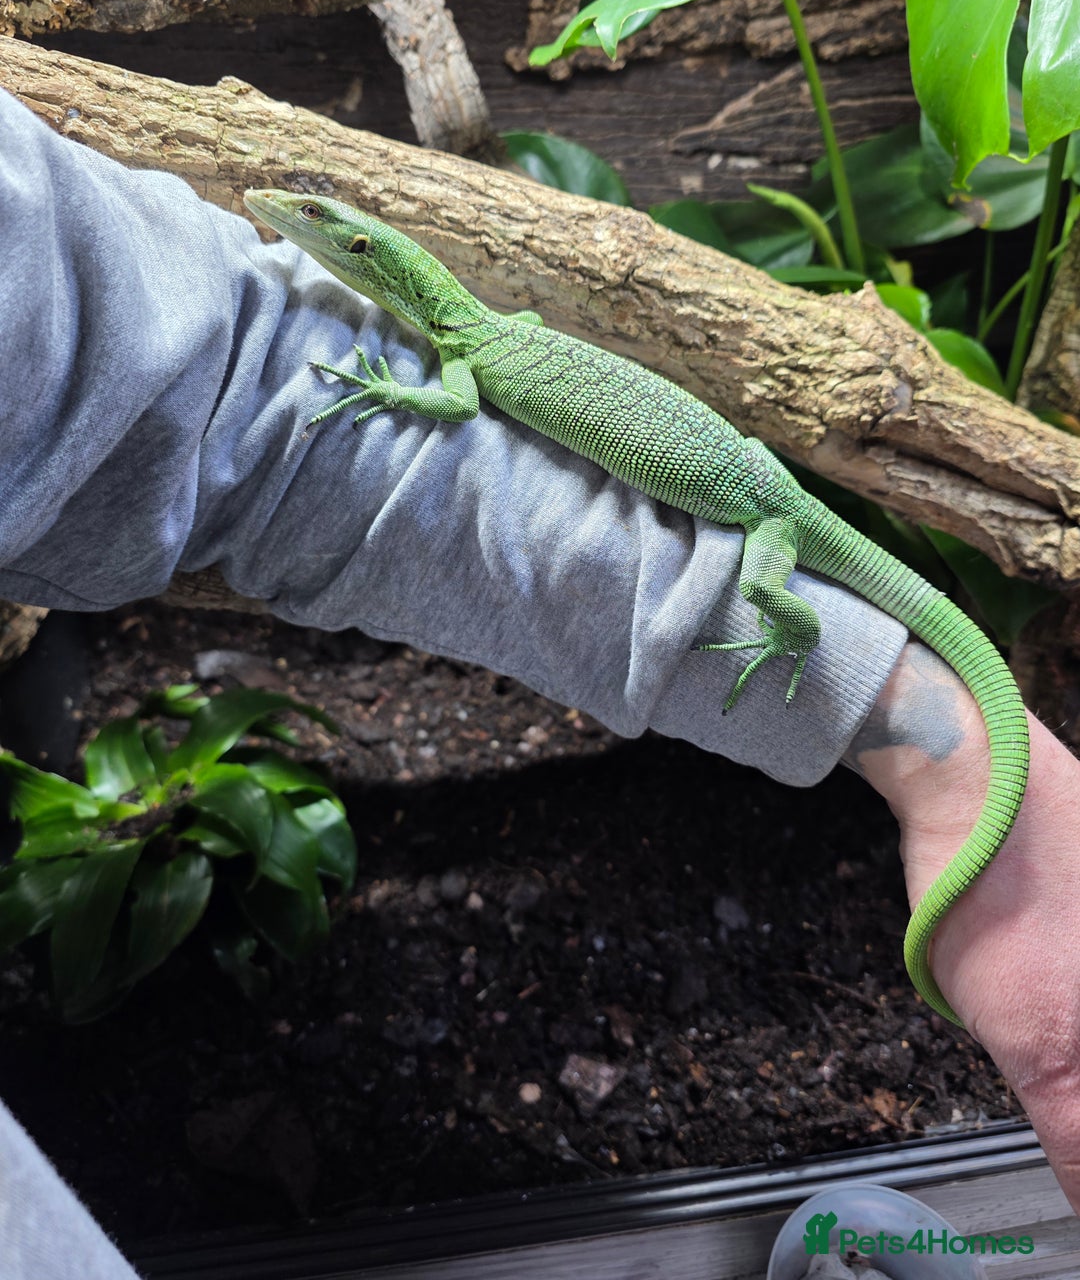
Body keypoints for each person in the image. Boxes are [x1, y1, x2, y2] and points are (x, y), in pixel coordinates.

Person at [0, 84, 1078, 1277]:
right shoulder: (471, 338)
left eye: (329, 229)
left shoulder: (461, 353)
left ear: (377, 267)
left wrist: (890, 710)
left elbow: (258, 405)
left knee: (782, 597)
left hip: (767, 516)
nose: (290, 223)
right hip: (746, 497)